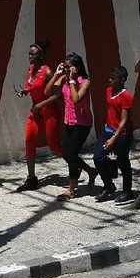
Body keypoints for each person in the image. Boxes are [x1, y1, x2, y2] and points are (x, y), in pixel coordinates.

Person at [45, 52, 98, 200]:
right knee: (67, 153)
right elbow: (47, 91)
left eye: (69, 67)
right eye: (65, 67)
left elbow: (76, 99)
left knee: (70, 154)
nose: (66, 70)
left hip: (82, 123)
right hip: (69, 121)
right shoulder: (64, 79)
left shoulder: (84, 81)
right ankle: (90, 171)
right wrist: (57, 75)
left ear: (77, 67)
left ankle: (71, 189)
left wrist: (73, 81)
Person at [16, 40, 63, 192]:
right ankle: (31, 179)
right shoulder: (31, 68)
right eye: (29, 54)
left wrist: (41, 105)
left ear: (41, 55)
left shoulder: (48, 72)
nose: (30, 57)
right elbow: (33, 86)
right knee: (29, 141)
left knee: (54, 146)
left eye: (33, 54)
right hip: (35, 111)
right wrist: (26, 91)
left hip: (48, 110)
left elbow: (58, 95)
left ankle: (81, 166)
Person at [93, 66, 135, 203]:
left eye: (113, 79)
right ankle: (108, 185)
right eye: (110, 77)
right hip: (108, 129)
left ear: (122, 80)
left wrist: (113, 139)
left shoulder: (126, 97)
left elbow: (124, 120)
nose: (109, 80)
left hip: (122, 134)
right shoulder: (108, 91)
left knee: (123, 162)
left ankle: (127, 191)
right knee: (98, 157)